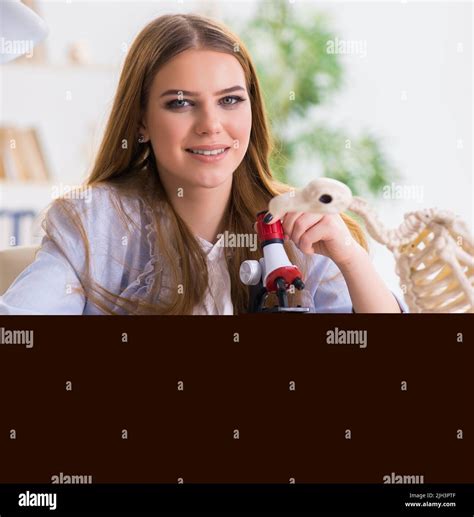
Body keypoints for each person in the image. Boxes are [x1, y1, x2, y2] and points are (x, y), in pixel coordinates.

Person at [0, 13, 407, 315]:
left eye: (230, 99)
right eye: (180, 103)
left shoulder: (302, 229)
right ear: (141, 120)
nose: (211, 126)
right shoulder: (93, 225)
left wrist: (351, 258)